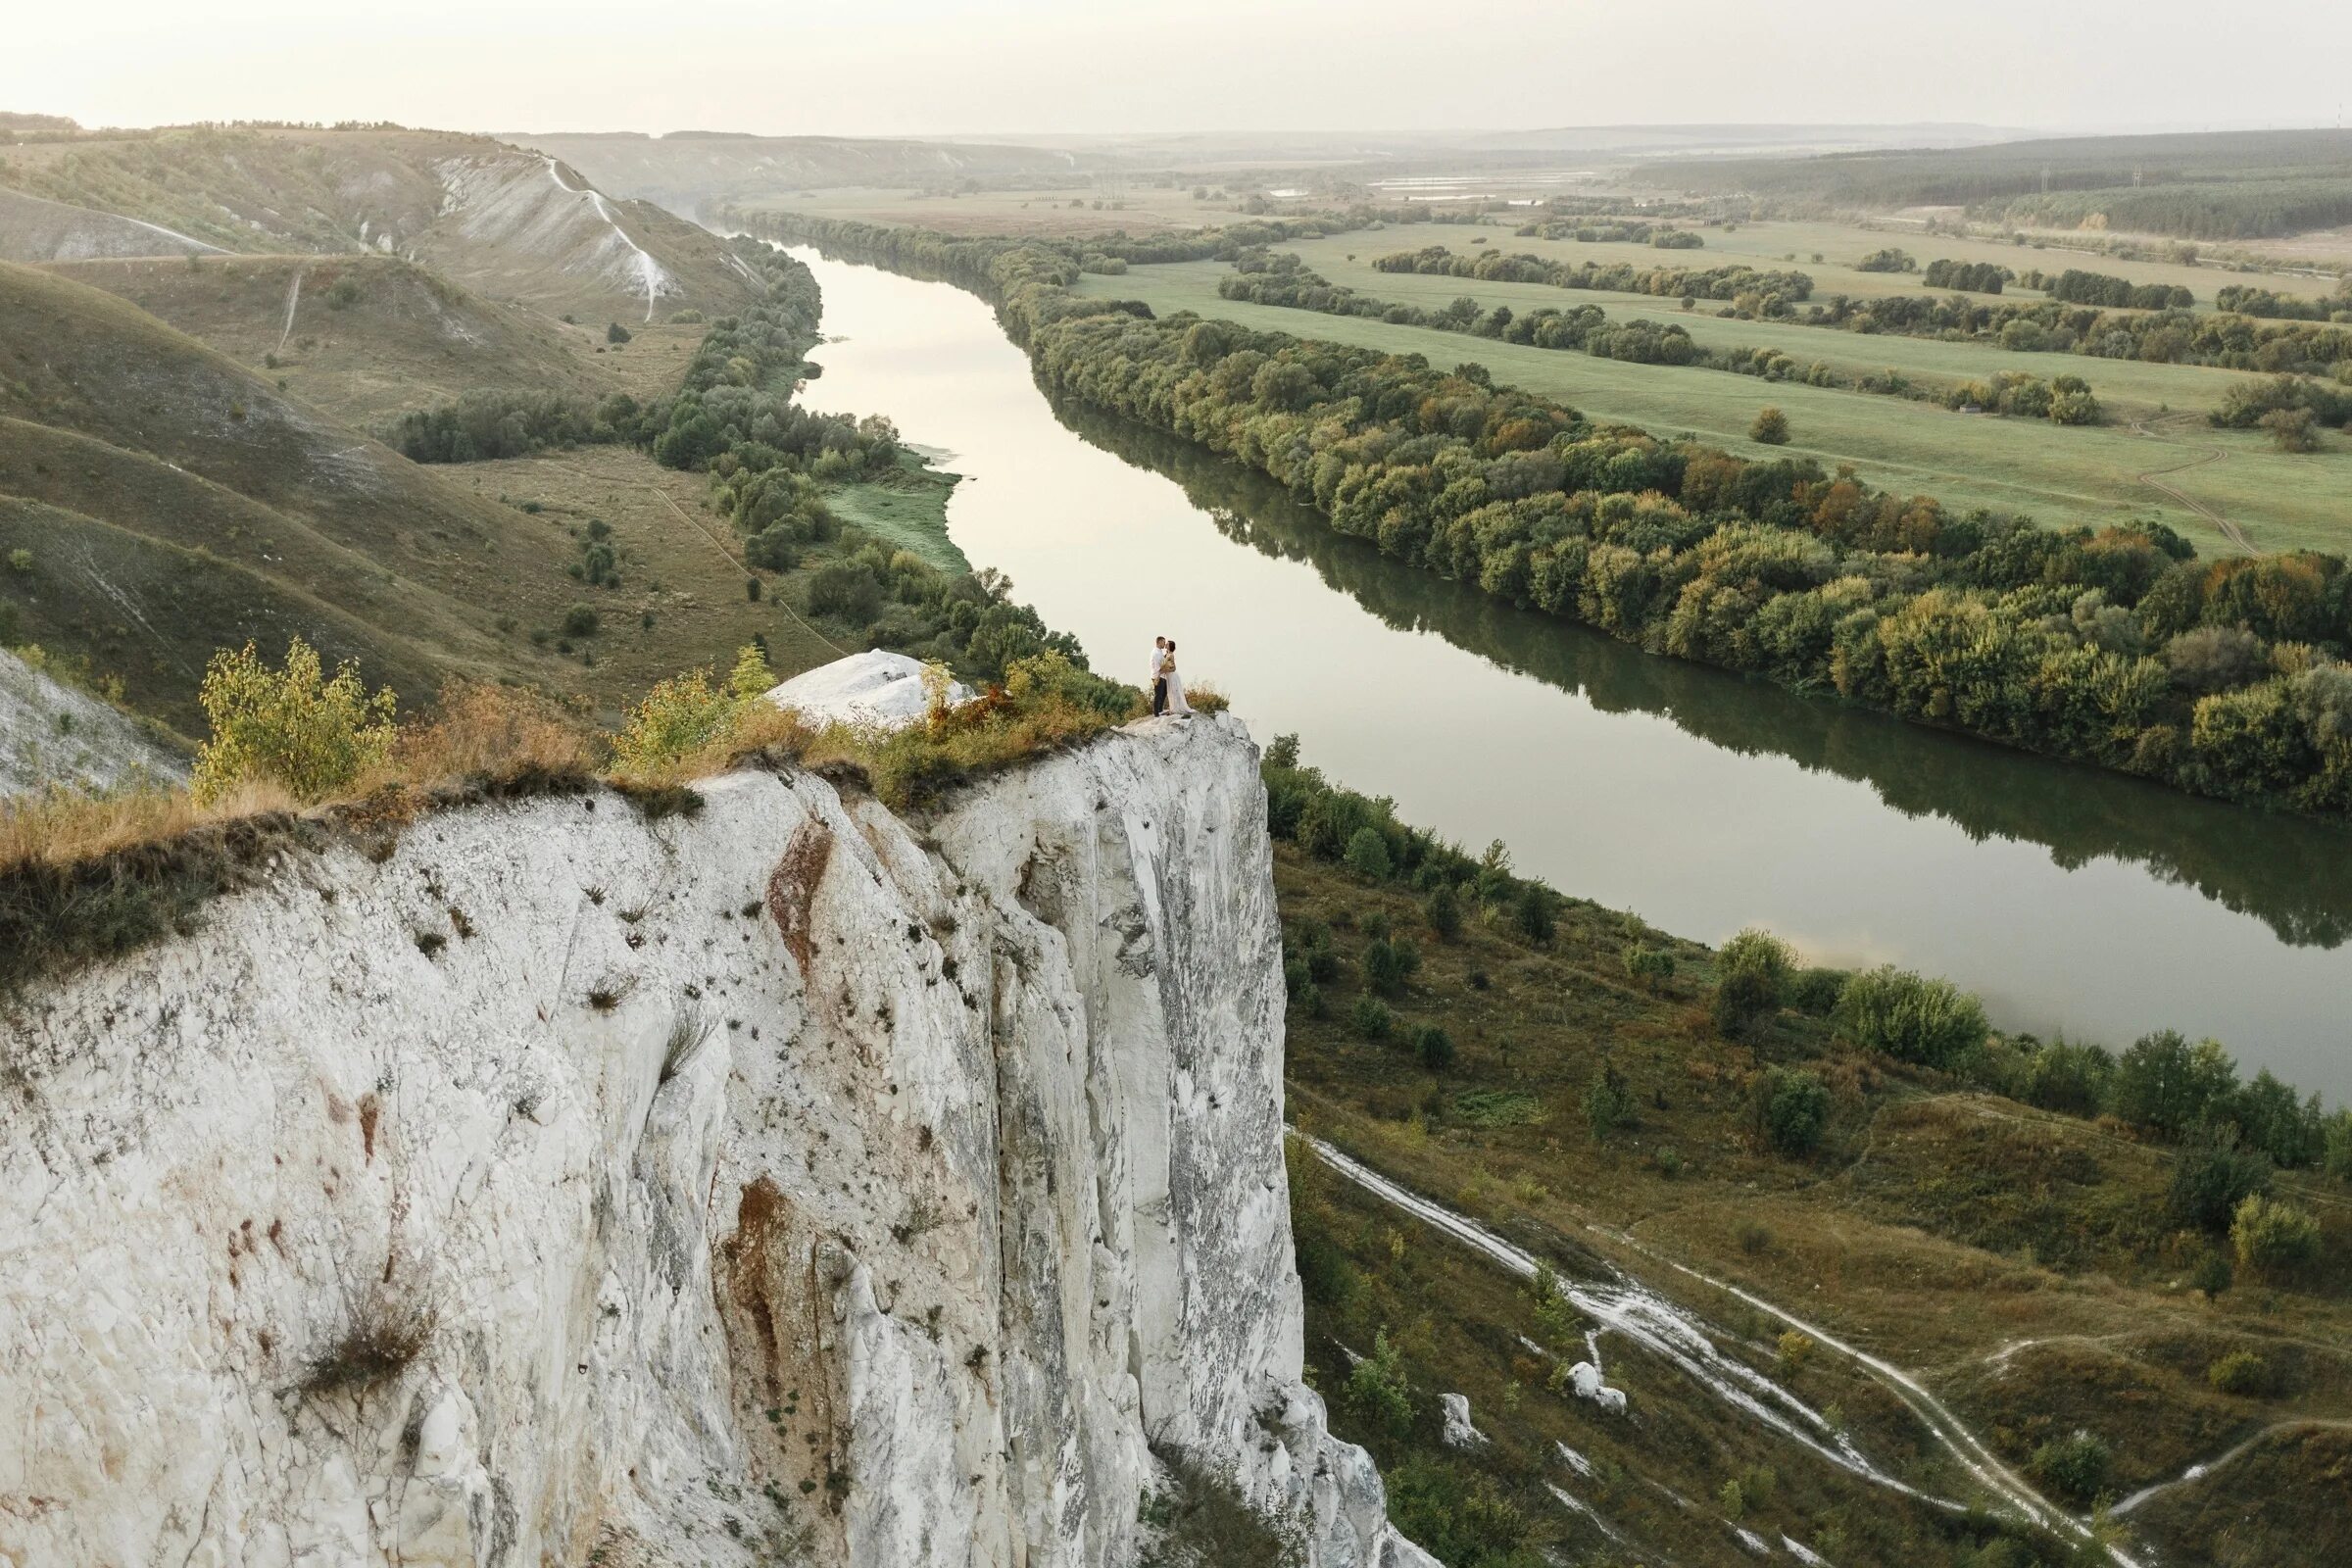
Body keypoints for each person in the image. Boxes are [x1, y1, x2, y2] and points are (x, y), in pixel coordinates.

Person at [1160, 640, 1192, 717]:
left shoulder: (1171, 655)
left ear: (1170, 646)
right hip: (1168, 676)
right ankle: (1172, 708)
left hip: (1172, 676)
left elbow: (1174, 668)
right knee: (1170, 692)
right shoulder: (1166, 654)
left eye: (1167, 644)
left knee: (1174, 692)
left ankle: (1175, 709)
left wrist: (1165, 670)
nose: (1166, 644)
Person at [1150, 635, 1169, 716]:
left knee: (1164, 693)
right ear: (1159, 642)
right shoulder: (1156, 653)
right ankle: (1156, 713)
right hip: (1158, 676)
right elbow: (1159, 667)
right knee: (1158, 694)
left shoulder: (1159, 651)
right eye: (1163, 642)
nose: (1164, 644)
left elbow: (1163, 661)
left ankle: (1160, 710)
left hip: (1162, 676)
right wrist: (1168, 669)